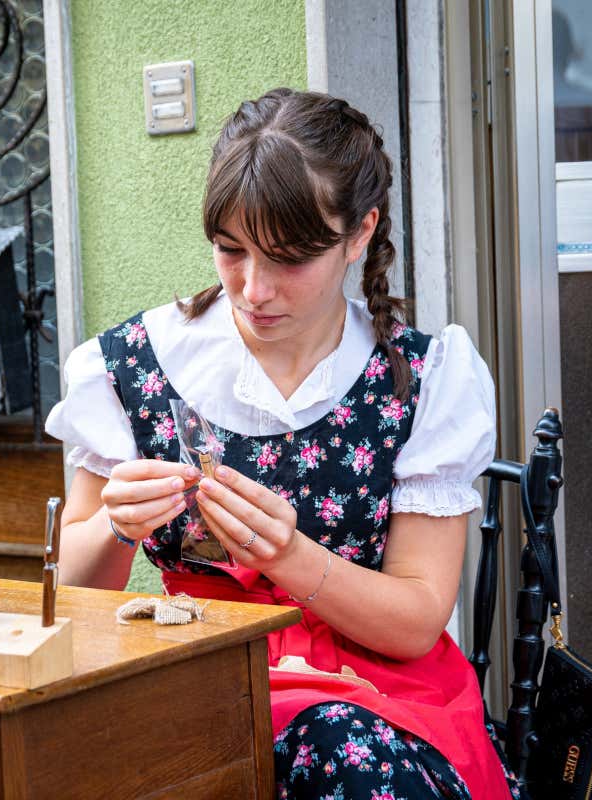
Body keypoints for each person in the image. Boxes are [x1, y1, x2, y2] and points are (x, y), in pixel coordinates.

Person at [44, 89, 518, 799]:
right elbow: (70, 599)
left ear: (360, 233)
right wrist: (116, 524)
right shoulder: (133, 365)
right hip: (202, 675)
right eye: (230, 251)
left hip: (375, 695)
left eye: (289, 258)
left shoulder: (421, 377)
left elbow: (418, 621)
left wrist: (290, 557)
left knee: (345, 750)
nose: (253, 289)